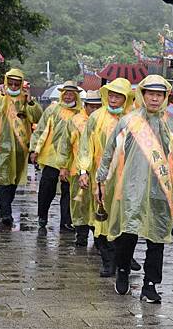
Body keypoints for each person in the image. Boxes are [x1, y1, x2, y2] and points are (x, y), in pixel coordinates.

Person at [96, 75, 173, 299]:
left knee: (158, 238)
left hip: (160, 190)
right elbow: (110, 152)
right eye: (151, 94)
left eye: (159, 95)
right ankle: (122, 270)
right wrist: (102, 179)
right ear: (142, 95)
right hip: (132, 188)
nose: (155, 99)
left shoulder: (170, 125)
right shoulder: (129, 121)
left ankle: (150, 284)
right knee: (129, 235)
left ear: (165, 97)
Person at [77, 78, 134, 277]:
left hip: (125, 179)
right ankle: (108, 261)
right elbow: (85, 146)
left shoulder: (133, 120)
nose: (113, 99)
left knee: (122, 219)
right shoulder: (96, 118)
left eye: (118, 96)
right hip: (99, 177)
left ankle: (122, 258)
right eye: (111, 94)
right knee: (100, 218)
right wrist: (83, 171)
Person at [0, 69, 42, 227]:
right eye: (10, 83)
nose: (13, 86)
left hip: (20, 147)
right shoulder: (0, 97)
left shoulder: (27, 99)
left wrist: (30, 102)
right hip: (2, 145)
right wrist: (1, 95)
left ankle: (5, 208)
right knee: (3, 178)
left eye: (17, 83)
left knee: (14, 180)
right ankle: (6, 212)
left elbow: (37, 117)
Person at [30, 81, 82, 232]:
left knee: (68, 191)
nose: (68, 96)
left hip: (70, 160)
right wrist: (34, 149)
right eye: (65, 93)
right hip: (51, 157)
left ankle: (66, 222)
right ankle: (42, 215)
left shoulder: (80, 114)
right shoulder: (52, 110)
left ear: (76, 96)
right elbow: (40, 130)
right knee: (47, 188)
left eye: (71, 93)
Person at [58, 90, 102, 247]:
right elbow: (65, 144)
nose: (95, 110)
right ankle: (81, 234)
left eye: (99, 106)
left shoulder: (105, 120)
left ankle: (99, 235)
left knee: (99, 203)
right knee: (79, 204)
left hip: (99, 171)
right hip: (78, 170)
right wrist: (63, 166)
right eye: (92, 107)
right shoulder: (75, 121)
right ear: (86, 106)